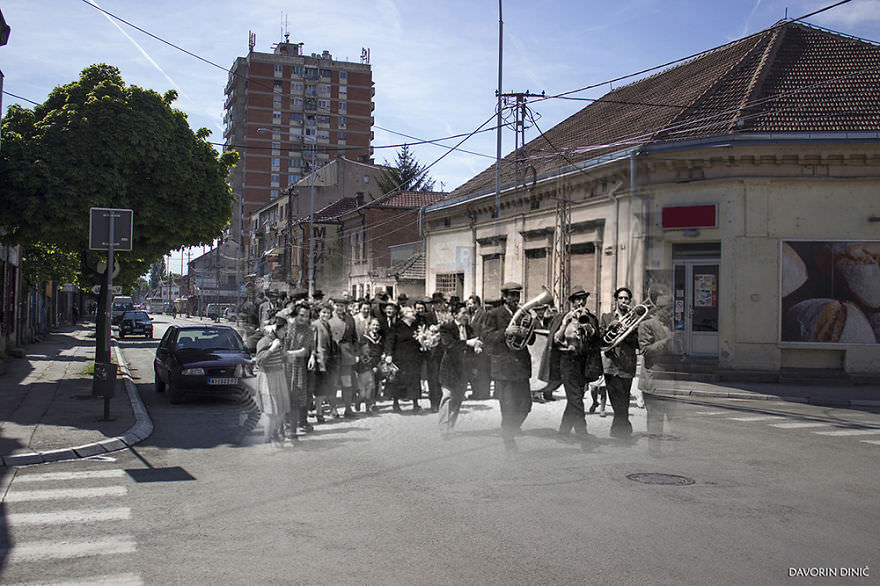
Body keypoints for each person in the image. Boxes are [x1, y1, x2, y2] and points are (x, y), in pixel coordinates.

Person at [481, 282, 535, 449]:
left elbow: (531, 341)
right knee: (508, 404)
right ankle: (508, 438)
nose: (515, 298)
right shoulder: (493, 314)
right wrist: (506, 332)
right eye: (512, 295)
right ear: (504, 296)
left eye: (517, 295)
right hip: (504, 365)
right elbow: (486, 336)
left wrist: (529, 329)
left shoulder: (524, 315)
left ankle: (509, 428)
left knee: (526, 405)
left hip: (521, 366)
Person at [548, 286, 602, 439]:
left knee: (574, 398)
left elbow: (598, 341)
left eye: (583, 298)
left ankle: (563, 433)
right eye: (577, 299)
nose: (581, 302)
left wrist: (589, 328)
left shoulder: (590, 318)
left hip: (584, 362)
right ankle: (582, 433)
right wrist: (565, 323)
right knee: (576, 399)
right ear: (572, 301)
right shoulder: (562, 317)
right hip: (567, 361)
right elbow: (555, 339)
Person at [437, 303, 483, 437]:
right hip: (449, 369)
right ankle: (443, 429)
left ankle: (450, 427)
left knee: (457, 399)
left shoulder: (469, 328)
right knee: (447, 397)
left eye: (467, 313)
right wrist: (467, 343)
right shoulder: (447, 328)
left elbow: (475, 340)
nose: (465, 316)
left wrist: (477, 346)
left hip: (464, 370)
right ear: (455, 314)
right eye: (462, 313)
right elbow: (449, 345)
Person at [600, 287, 640, 439]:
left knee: (624, 400)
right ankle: (624, 430)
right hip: (610, 365)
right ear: (616, 300)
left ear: (629, 301)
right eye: (621, 298)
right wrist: (610, 328)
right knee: (616, 400)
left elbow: (638, 344)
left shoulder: (634, 320)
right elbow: (601, 341)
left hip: (627, 365)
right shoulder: (606, 317)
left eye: (626, 299)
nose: (624, 301)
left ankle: (618, 430)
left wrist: (630, 330)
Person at [255, 316, 291, 445]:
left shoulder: (279, 340)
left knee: (281, 409)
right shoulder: (264, 341)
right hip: (268, 377)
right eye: (284, 330)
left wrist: (286, 357)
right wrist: (271, 349)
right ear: (276, 328)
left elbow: (281, 357)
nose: (285, 332)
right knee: (271, 412)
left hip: (279, 375)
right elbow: (259, 361)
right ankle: (267, 439)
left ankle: (275, 433)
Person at [283, 304, 316, 434]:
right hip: (284, 365)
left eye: (307, 316)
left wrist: (290, 354)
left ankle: (302, 421)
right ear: (296, 315)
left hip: (298, 366)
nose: (304, 318)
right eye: (301, 315)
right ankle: (286, 422)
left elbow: (305, 351)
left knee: (300, 392)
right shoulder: (287, 327)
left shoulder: (308, 330)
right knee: (285, 392)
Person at [384, 305, 423, 413]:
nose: (413, 313)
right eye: (411, 312)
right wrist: (389, 354)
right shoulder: (396, 326)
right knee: (398, 381)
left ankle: (415, 403)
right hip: (400, 358)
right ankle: (396, 403)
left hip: (414, 357)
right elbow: (390, 341)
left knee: (415, 380)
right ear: (404, 315)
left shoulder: (415, 326)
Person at [330, 298, 359, 418]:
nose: (339, 308)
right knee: (333, 384)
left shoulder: (350, 319)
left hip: (347, 356)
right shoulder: (329, 319)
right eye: (337, 305)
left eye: (342, 306)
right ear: (334, 306)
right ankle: (333, 409)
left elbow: (354, 338)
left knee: (347, 383)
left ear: (345, 307)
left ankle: (348, 408)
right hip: (333, 355)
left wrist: (356, 353)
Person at [312, 303, 340, 422]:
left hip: (328, 360)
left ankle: (328, 410)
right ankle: (319, 413)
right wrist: (313, 357)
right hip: (320, 360)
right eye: (323, 312)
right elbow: (313, 343)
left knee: (328, 386)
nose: (326, 315)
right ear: (319, 313)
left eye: (328, 313)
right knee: (320, 388)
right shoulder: (316, 325)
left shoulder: (327, 324)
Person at [465, 295, 492, 400]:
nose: (469, 306)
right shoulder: (472, 314)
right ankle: (476, 392)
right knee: (475, 370)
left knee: (482, 370)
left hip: (480, 346)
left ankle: (483, 393)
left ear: (477, 303)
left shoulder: (483, 314)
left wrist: (479, 343)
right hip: (472, 345)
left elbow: (484, 330)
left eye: (471, 304)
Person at [356, 317, 384, 414]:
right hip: (366, 365)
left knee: (374, 386)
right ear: (369, 326)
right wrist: (371, 365)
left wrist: (378, 363)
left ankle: (370, 405)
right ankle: (359, 400)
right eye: (373, 325)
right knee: (365, 388)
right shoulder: (364, 338)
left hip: (377, 364)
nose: (375, 327)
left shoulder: (380, 338)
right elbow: (363, 353)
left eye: (377, 325)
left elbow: (381, 351)